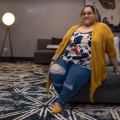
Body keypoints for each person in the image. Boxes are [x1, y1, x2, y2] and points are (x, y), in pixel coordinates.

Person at [46, 5, 120, 114]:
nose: (86, 15)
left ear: (95, 15)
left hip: (85, 64)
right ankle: (67, 95)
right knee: (54, 72)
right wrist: (53, 60)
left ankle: (60, 102)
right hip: (66, 59)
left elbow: (110, 49)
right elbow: (62, 45)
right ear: (81, 16)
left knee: (70, 83)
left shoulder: (103, 27)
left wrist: (116, 66)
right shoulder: (74, 28)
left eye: (89, 13)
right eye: (84, 13)